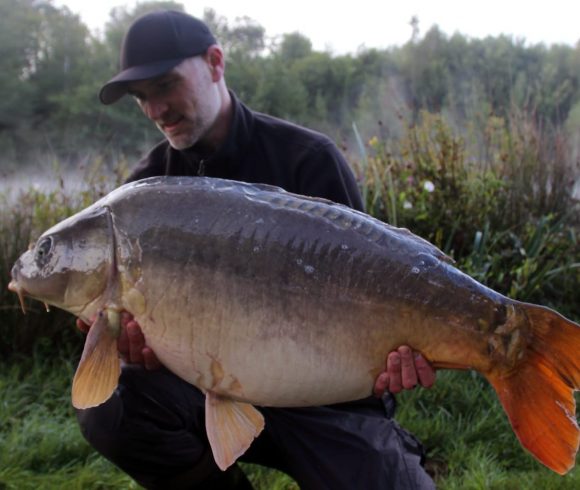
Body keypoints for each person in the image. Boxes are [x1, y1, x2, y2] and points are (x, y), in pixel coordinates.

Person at [77, 10, 437, 490]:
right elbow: (147, 345)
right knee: (113, 408)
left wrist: (399, 354)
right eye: (142, 97)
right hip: (207, 390)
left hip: (328, 403)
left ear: (215, 63)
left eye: (165, 85)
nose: (155, 109)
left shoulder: (308, 159)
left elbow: (378, 290)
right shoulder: (145, 195)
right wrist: (142, 350)